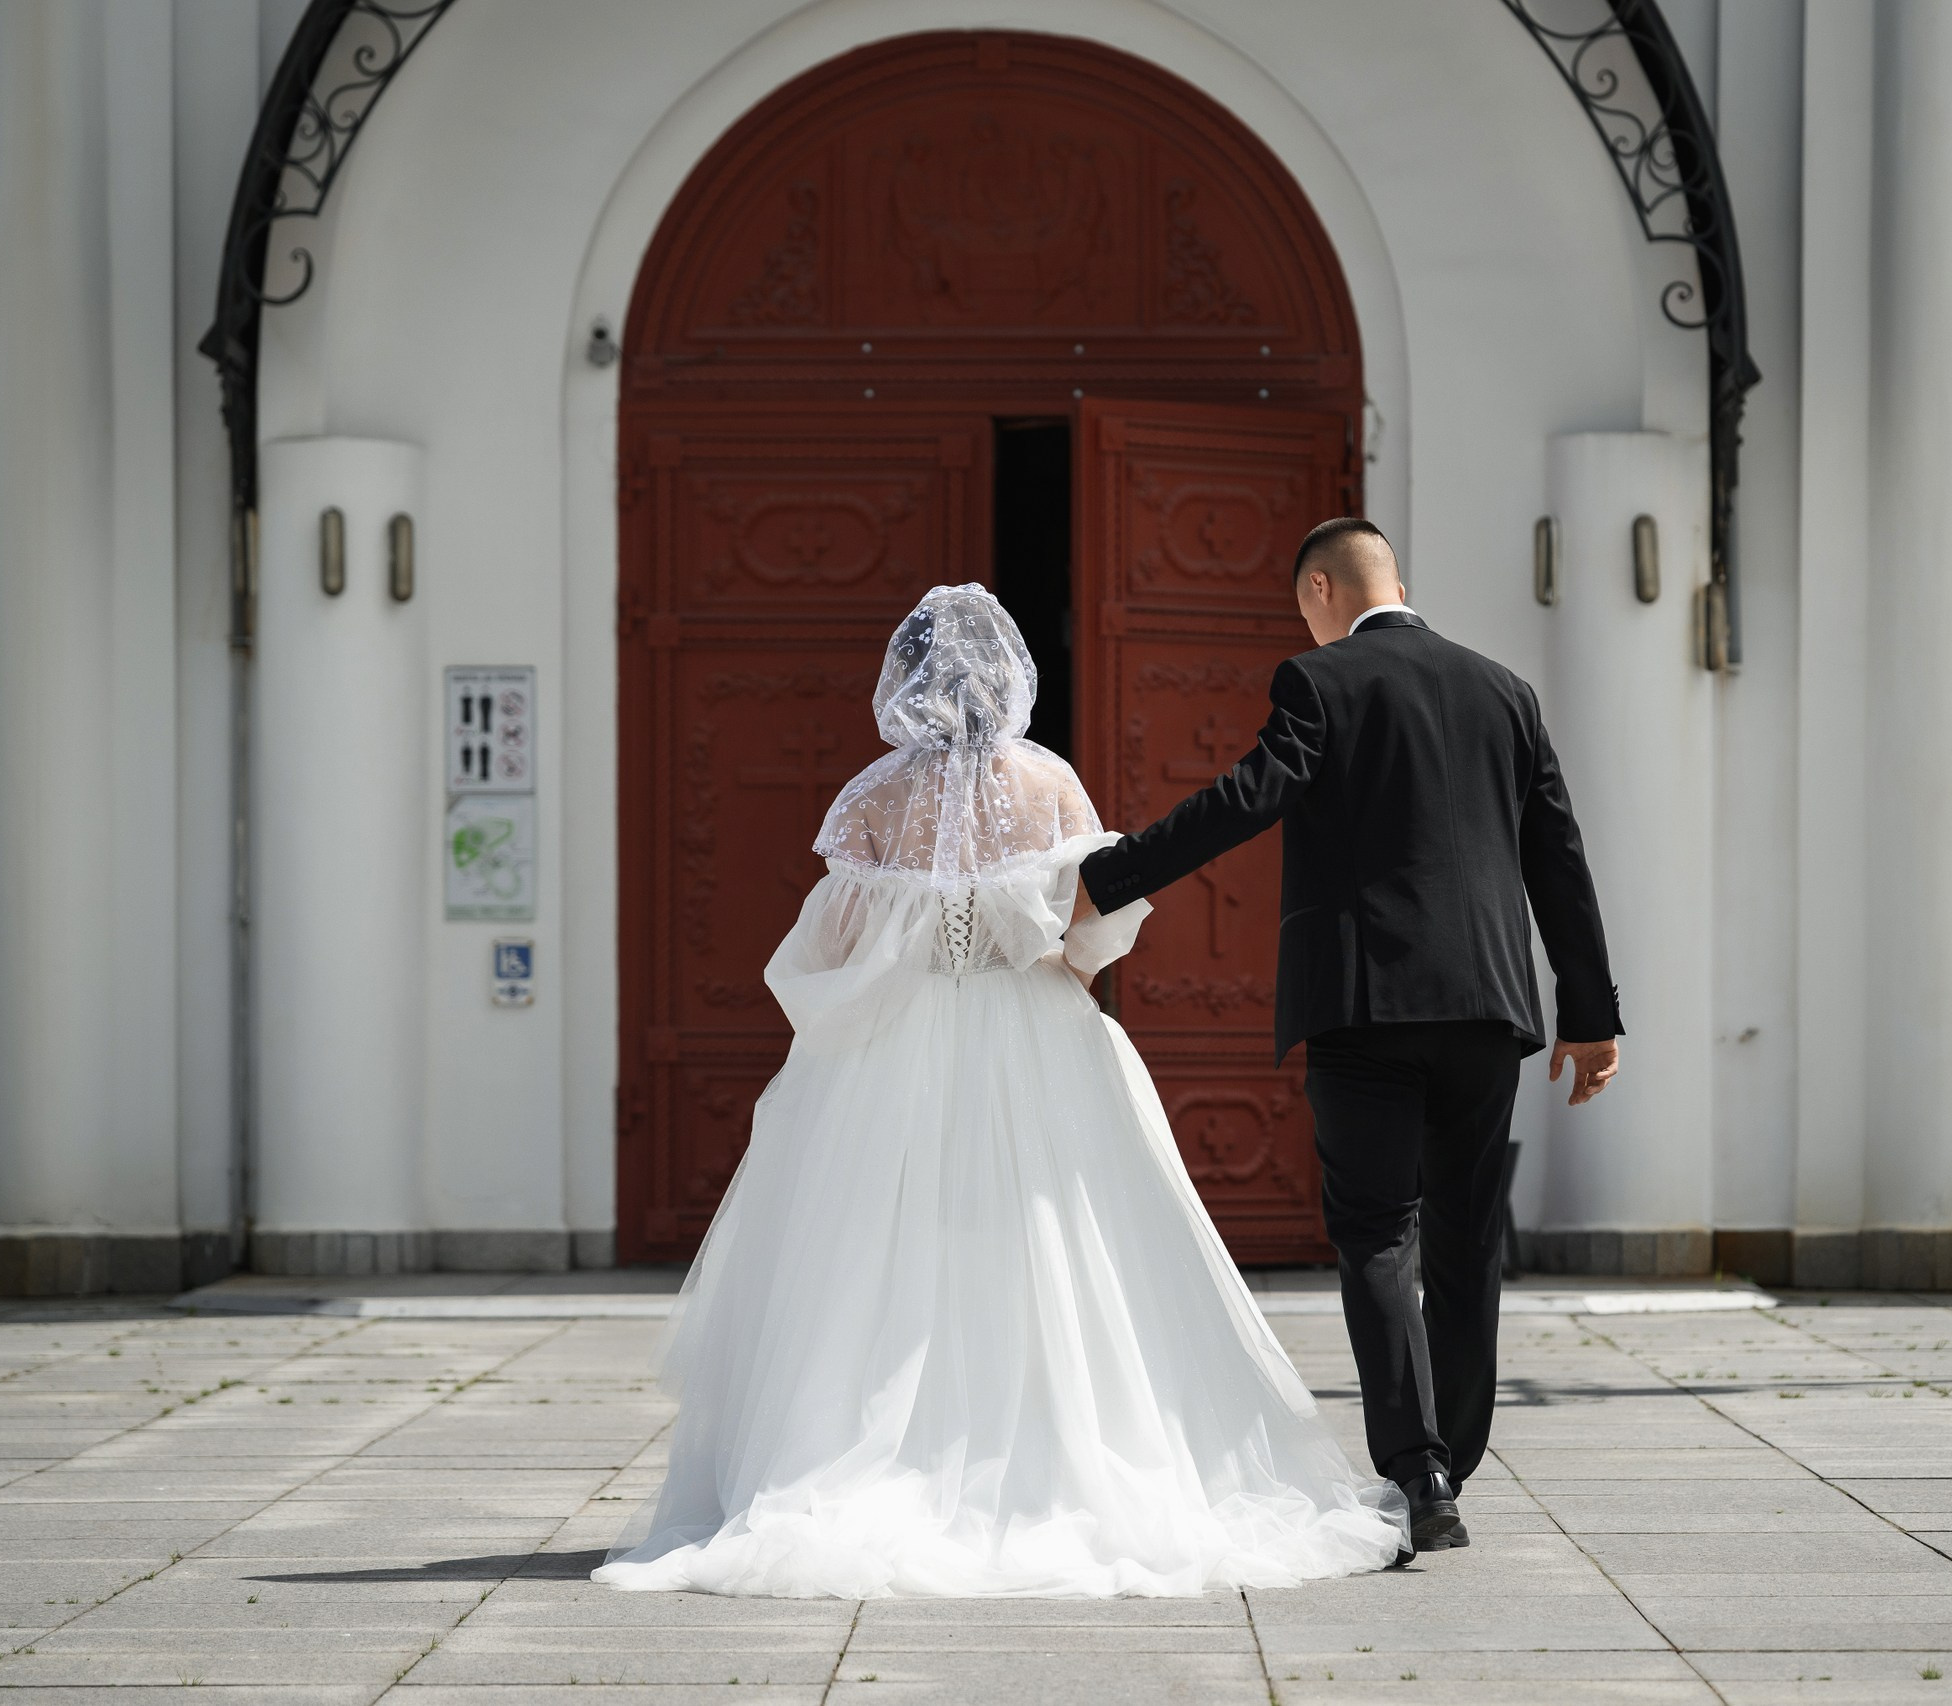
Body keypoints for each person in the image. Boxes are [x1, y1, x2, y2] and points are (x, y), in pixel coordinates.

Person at [593, 583, 1408, 1599]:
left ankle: (867, 1455)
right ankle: (1063, 1453)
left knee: (883, 1251)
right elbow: (1092, 935)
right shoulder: (1051, 786)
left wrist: (917, 939)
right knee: (1059, 1240)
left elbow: (832, 948)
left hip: (899, 1046)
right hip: (1038, 1035)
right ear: (1009, 678)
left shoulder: (872, 798)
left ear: (908, 679)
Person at [1075, 518, 1622, 1555]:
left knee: (1377, 1232)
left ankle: (1416, 1473)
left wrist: (1105, 877)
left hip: (1364, 1005)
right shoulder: (1505, 690)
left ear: (1321, 588)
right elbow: (1559, 853)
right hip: (1486, 1007)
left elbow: (1248, 797)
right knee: (1465, 1239)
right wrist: (1589, 1013)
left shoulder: (1320, 682)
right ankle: (1449, 1463)